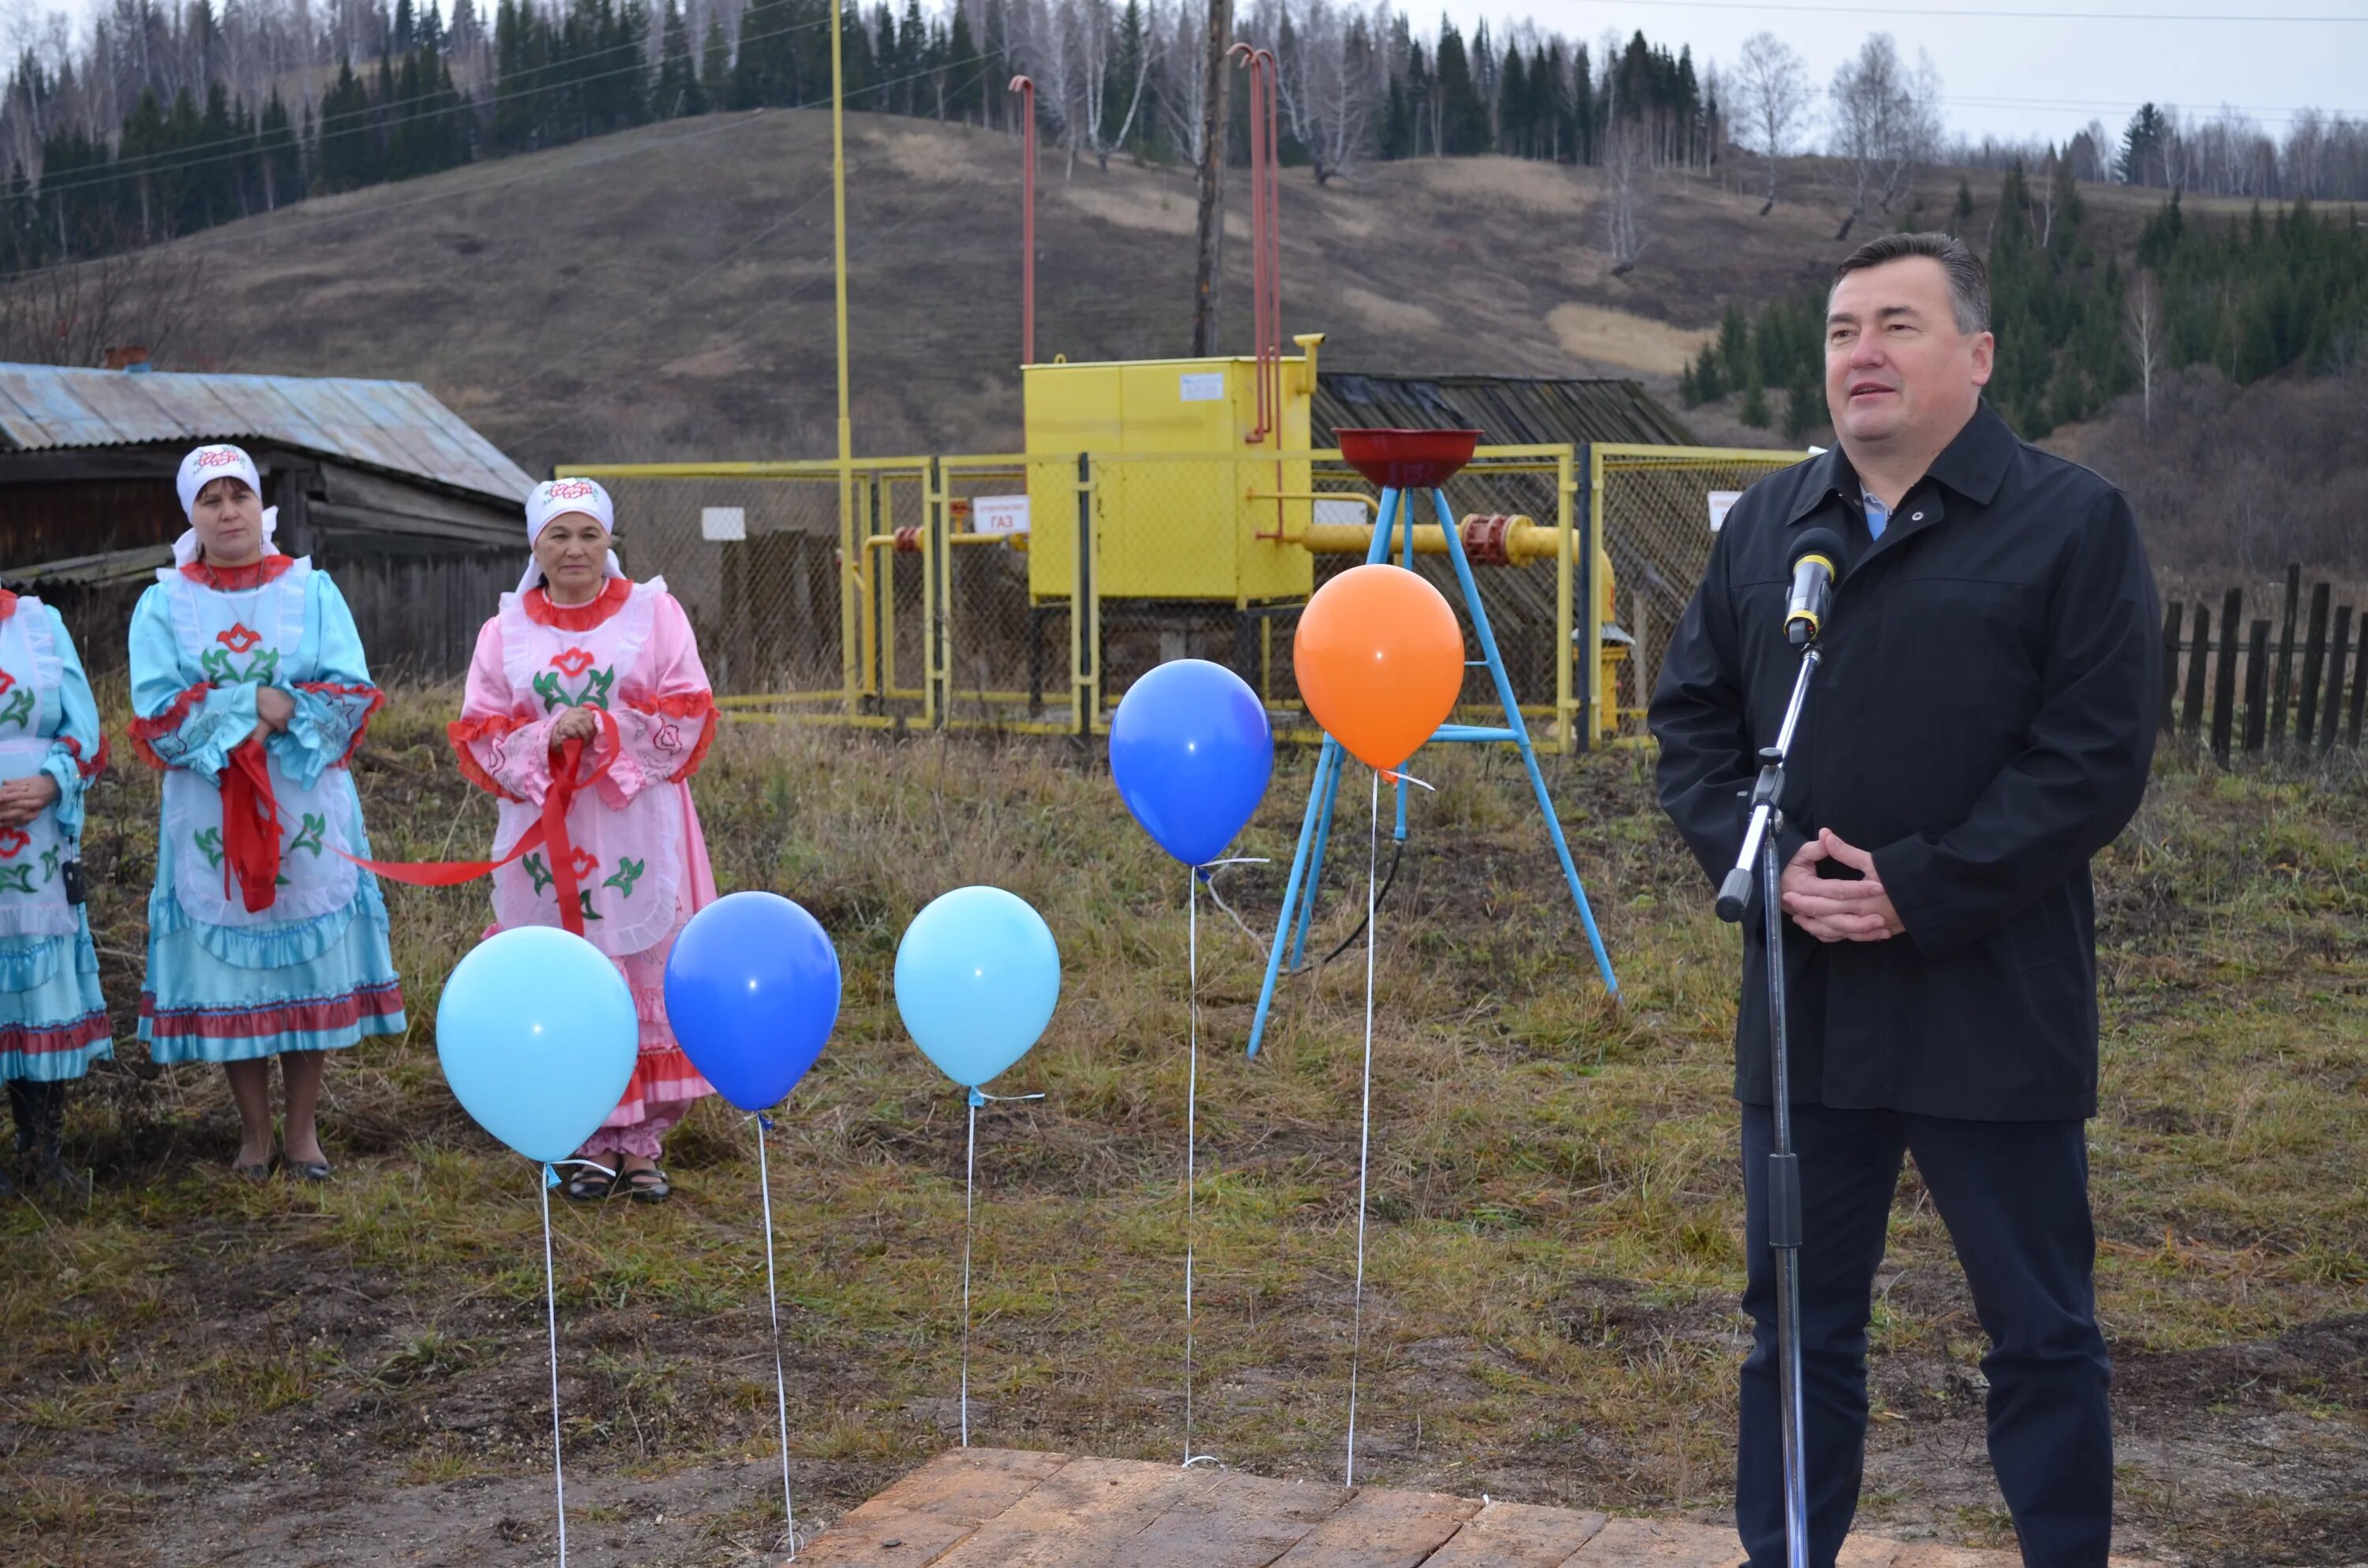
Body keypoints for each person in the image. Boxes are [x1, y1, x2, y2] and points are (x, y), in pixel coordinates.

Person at [1649, 234, 2160, 1568]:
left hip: (1995, 1000)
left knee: (2041, 1331)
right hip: (1805, 999)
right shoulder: (1771, 526)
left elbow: (2094, 755)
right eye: (1838, 331)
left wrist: (1922, 889)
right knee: (1798, 1329)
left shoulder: (2071, 522)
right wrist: (1763, 869)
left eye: (1896, 325)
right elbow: (1693, 726)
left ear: (1978, 359)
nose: (1859, 354)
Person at [129, 444, 407, 1182]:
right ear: (191, 516)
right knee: (237, 973)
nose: (228, 512)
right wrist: (250, 702)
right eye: (211, 499)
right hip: (211, 805)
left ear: (262, 507)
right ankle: (253, 1134)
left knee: (303, 957)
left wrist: (292, 710)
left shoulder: (312, 591)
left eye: (239, 496)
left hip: (302, 799)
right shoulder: (162, 602)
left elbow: (350, 690)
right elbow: (156, 712)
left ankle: (302, 1132)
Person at [449, 478, 719, 1204]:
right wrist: (545, 736)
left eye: (587, 535)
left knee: (639, 960)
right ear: (534, 546)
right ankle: (581, 1133)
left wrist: (602, 728)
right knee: (564, 964)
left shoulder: (654, 613)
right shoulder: (503, 632)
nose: (574, 549)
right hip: (550, 827)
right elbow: (483, 729)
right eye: (557, 535)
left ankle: (640, 1143)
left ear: (609, 541)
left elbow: (687, 706)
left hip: (637, 819)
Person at [0, 585, 110, 1197]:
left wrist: (50, 782)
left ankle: (42, 1149)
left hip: (39, 840)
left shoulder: (38, 623)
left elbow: (83, 727)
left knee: (38, 988)